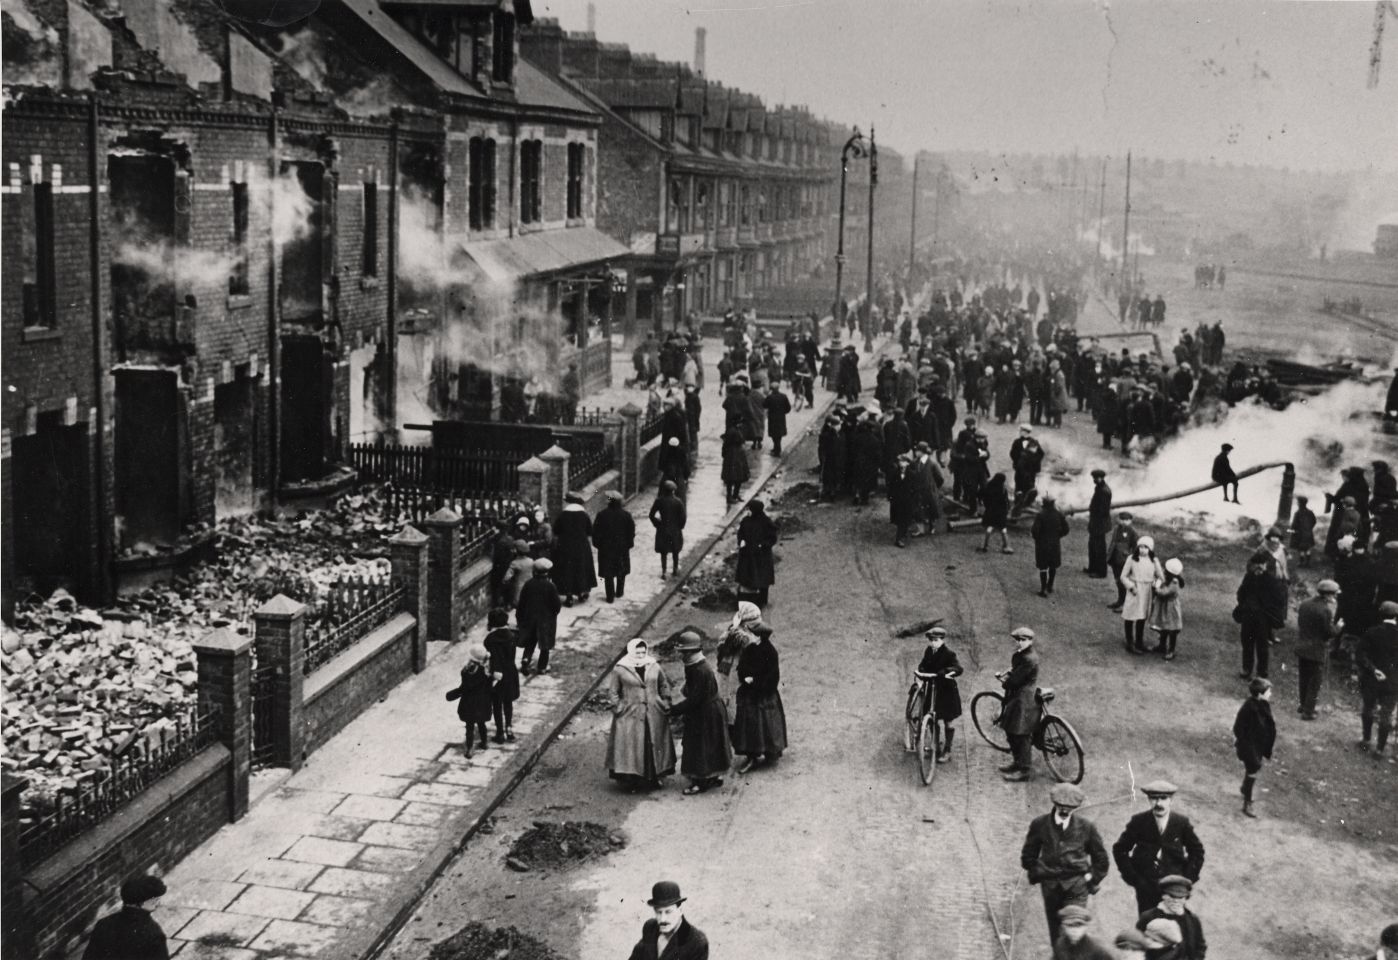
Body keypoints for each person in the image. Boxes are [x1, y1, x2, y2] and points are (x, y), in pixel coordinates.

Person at [1019, 783, 1111, 949]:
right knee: (1055, 931)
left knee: (1073, 928)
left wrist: (1091, 878)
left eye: (1069, 807)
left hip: (1077, 887)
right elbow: (1028, 855)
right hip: (1051, 887)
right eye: (1061, 806)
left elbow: (1101, 859)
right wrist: (1038, 871)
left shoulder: (1086, 827)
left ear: (1075, 807)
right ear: (1054, 803)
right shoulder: (1040, 824)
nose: (1064, 810)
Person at [1111, 780, 1206, 915]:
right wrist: (1134, 878)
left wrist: (1187, 878)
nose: (1158, 803)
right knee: (1147, 924)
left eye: (1163, 798)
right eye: (1154, 798)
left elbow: (1197, 851)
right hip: (1146, 885)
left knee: (1173, 923)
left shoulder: (1181, 823)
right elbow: (1120, 849)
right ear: (1149, 800)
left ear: (1171, 800)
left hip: (1174, 887)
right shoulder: (1139, 821)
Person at [606, 639, 676, 790]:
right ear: (631, 651)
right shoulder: (620, 668)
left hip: (653, 713)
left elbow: (663, 684)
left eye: (643, 651)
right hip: (630, 714)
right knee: (632, 749)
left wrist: (665, 701)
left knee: (653, 745)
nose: (640, 654)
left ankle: (654, 779)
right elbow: (613, 692)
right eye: (637, 652)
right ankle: (633, 782)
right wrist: (618, 708)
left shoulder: (653, 665)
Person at [668, 631, 732, 794]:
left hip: (705, 712)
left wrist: (674, 710)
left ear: (691, 651)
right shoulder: (696, 665)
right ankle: (714, 774)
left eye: (684, 652)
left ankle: (700, 781)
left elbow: (695, 699)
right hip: (711, 709)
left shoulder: (698, 669)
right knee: (713, 743)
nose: (681, 655)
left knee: (699, 745)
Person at [731, 615, 787, 774]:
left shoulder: (770, 652)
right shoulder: (749, 649)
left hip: (763, 695)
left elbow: (772, 677)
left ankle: (770, 751)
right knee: (751, 727)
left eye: (751, 633)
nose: (748, 635)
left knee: (766, 725)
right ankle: (752, 757)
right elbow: (741, 668)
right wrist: (745, 677)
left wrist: (754, 682)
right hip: (750, 694)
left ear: (759, 636)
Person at [82, 874, 169, 960]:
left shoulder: (103, 924)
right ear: (140, 902)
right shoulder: (154, 935)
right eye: (155, 900)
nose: (158, 904)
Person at [1234, 550, 1287, 680]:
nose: (1258, 566)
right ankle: (1247, 669)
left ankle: (1262, 673)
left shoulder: (1271, 580)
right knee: (1247, 643)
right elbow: (1241, 593)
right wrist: (1244, 606)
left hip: (1263, 619)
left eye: (1261, 564)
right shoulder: (1248, 577)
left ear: (1266, 565)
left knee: (1262, 646)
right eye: (1256, 563)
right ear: (1252, 565)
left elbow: (1279, 599)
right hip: (1248, 617)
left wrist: (1269, 611)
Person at [914, 626, 963, 763]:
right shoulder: (929, 651)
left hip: (946, 692)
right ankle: (935, 746)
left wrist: (946, 671)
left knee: (948, 720)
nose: (933, 643)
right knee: (931, 717)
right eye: (931, 640)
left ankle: (947, 749)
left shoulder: (948, 654)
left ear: (942, 640)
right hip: (932, 689)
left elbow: (958, 668)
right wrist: (921, 670)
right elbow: (923, 664)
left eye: (936, 640)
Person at [998, 626, 1041, 781]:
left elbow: (1016, 680)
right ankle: (1017, 762)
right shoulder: (1023, 654)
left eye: (1024, 640)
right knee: (1011, 730)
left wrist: (1005, 683)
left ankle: (1025, 770)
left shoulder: (1029, 658)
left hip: (1024, 698)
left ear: (1030, 641)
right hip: (1019, 695)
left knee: (1020, 733)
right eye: (1019, 640)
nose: (1021, 643)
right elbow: (1016, 670)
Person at [1295, 579, 1342, 720]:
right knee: (1315, 681)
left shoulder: (1305, 604)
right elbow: (1328, 633)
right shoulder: (1325, 610)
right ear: (1327, 595)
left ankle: (1303, 705)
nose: (1334, 598)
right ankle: (1308, 712)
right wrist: (1338, 626)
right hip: (1316, 649)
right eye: (1334, 595)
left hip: (1302, 646)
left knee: (1304, 678)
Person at [627, 881, 709, 960]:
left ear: (680, 910)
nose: (663, 919)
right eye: (659, 912)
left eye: (668, 912)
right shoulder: (650, 928)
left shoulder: (697, 942)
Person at [1357, 600, 1398, 756]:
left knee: (1368, 708)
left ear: (1381, 614)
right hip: (1393, 682)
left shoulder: (1371, 632)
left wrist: (1373, 670)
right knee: (1386, 714)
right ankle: (1380, 749)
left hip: (1372, 679)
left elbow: (1360, 655)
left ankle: (1366, 740)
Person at [1233, 677, 1276, 818]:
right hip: (1249, 746)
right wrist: (1245, 742)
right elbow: (1238, 727)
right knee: (1253, 769)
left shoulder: (1263, 704)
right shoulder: (1248, 708)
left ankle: (1245, 788)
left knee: (1253, 768)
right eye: (1268, 691)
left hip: (1258, 746)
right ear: (1259, 694)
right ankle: (1247, 802)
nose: (1270, 694)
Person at [1135, 876, 1207, 959]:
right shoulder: (1148, 917)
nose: (1176, 901)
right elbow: (1136, 945)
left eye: (1181, 897)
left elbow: (1200, 947)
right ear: (1163, 896)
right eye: (1172, 896)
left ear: (1186, 898)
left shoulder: (1192, 919)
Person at [445, 643, 494, 759]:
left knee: (470, 726)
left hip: (469, 702)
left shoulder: (467, 671)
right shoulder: (485, 672)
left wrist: (453, 694)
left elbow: (464, 688)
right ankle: (484, 742)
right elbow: (489, 687)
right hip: (482, 702)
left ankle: (470, 748)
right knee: (481, 723)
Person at [516, 558, 560, 676]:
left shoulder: (528, 584)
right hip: (545, 620)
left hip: (530, 618)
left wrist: (519, 618)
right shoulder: (550, 586)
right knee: (544, 645)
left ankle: (526, 659)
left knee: (530, 641)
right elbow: (556, 605)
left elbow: (522, 603)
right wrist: (554, 614)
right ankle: (542, 667)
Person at [1120, 537, 1163, 655]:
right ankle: (1130, 642)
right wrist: (1131, 586)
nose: (1142, 550)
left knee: (1142, 616)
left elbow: (1160, 577)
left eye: (1146, 547)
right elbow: (1123, 576)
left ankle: (1139, 642)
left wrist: (1156, 585)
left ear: (1150, 549)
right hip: (1135, 590)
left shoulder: (1154, 561)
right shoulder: (1132, 559)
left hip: (1147, 591)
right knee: (1130, 615)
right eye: (1140, 547)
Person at [482, 609, 520, 743]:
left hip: (496, 675)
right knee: (508, 702)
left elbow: (489, 658)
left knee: (497, 704)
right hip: (510, 672)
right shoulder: (511, 636)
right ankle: (509, 728)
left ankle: (500, 733)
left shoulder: (490, 640)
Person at [552, 492, 596, 606]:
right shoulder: (584, 515)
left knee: (567, 570)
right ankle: (582, 592)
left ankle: (569, 596)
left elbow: (556, 530)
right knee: (581, 568)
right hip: (581, 547)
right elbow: (590, 531)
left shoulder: (563, 515)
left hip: (565, 546)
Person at [592, 490, 635, 603]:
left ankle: (610, 597)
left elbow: (595, 532)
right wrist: (629, 544)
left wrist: (598, 544)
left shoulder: (602, 515)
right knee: (621, 569)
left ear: (609, 502)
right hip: (622, 548)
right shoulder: (626, 515)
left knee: (608, 572)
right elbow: (631, 532)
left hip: (606, 549)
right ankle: (619, 592)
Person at [735, 499, 778, 607]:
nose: (747, 511)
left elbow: (772, 538)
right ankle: (748, 599)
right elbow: (740, 533)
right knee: (748, 576)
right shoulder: (745, 520)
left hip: (761, 555)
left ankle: (763, 599)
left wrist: (763, 545)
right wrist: (741, 541)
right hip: (748, 554)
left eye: (749, 509)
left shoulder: (766, 522)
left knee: (763, 578)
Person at [1032, 496, 1070, 598]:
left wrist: (1038, 539)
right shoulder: (1058, 514)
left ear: (1044, 504)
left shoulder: (1040, 515)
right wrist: (1058, 536)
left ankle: (1043, 589)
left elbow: (1035, 531)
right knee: (1053, 565)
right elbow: (1066, 529)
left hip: (1042, 545)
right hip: (1054, 544)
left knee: (1043, 567)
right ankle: (1050, 585)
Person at [650, 480, 686, 580]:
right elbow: (683, 517)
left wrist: (657, 524)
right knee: (675, 551)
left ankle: (664, 571)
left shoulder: (659, 501)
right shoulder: (678, 502)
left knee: (663, 552)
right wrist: (680, 527)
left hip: (663, 529)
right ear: (673, 491)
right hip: (675, 530)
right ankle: (674, 569)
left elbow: (651, 515)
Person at [1150, 559, 1185, 660]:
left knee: (1172, 629)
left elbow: (1165, 592)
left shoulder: (1174, 582)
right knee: (1164, 627)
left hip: (1171, 608)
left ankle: (1171, 650)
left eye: (1166, 570)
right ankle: (1162, 645)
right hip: (1164, 607)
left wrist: (1156, 589)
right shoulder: (1169, 578)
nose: (1164, 571)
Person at [1107, 513, 1140, 611]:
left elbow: (1135, 547)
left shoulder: (1132, 532)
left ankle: (1126, 604)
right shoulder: (1117, 529)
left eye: (1127, 520)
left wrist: (1132, 559)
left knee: (1124, 582)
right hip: (1115, 559)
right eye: (1122, 519)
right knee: (1118, 580)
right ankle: (1120, 600)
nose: (1124, 522)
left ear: (1131, 521)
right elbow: (1113, 543)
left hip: (1125, 561)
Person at [1010, 425, 1045, 515]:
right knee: (1019, 486)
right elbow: (1012, 453)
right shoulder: (1017, 442)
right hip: (1020, 468)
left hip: (1031, 470)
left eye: (1022, 431)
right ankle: (1017, 506)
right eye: (1021, 431)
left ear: (1026, 432)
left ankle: (1027, 504)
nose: (1020, 432)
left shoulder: (1034, 442)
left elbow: (1041, 454)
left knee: (1030, 486)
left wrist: (1033, 460)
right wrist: (1018, 460)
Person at [1085, 469, 1112, 578]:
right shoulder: (1100, 488)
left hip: (1099, 524)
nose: (1094, 480)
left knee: (1099, 548)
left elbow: (1103, 511)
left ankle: (1101, 572)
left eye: (1095, 478)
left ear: (1100, 478)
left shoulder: (1104, 491)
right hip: (1096, 522)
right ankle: (1092, 568)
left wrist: (1094, 521)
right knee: (1092, 546)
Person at [978, 473, 1013, 555]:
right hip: (1001, 512)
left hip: (991, 510)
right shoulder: (1003, 489)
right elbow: (1006, 502)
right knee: (1003, 529)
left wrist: (985, 505)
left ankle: (985, 546)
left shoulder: (988, 486)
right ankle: (1006, 546)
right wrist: (1007, 510)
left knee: (989, 527)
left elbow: (982, 496)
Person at [721, 424, 750, 505]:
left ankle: (734, 495)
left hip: (736, 455)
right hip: (734, 456)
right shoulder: (733, 431)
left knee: (737, 477)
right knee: (734, 477)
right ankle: (731, 496)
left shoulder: (735, 430)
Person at [764, 381, 791, 456]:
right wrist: (783, 412)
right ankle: (776, 448)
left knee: (774, 434)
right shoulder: (783, 396)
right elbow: (788, 408)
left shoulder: (770, 397)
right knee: (779, 434)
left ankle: (777, 450)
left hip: (772, 418)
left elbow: (764, 405)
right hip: (781, 418)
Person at [1289, 495, 1317, 566]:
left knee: (1301, 549)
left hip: (1300, 533)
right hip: (1308, 533)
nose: (1297, 503)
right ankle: (1307, 562)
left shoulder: (1297, 513)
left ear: (1300, 503)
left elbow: (1294, 524)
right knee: (1307, 548)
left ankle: (1301, 562)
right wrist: (1310, 528)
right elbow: (1314, 521)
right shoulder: (1310, 512)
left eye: (1297, 502)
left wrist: (1293, 530)